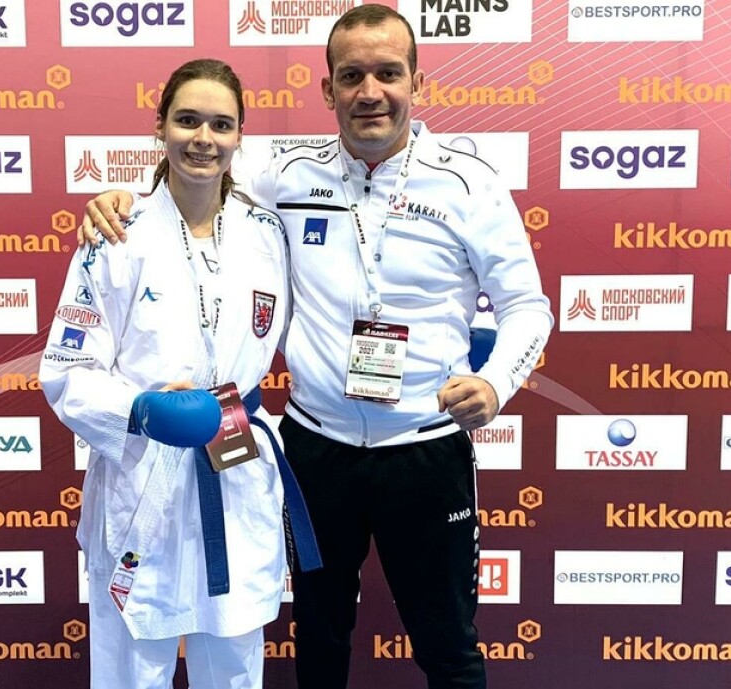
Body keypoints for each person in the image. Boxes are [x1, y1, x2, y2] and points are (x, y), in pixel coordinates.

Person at [82, 7, 553, 688]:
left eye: (388, 73)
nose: (370, 91)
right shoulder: (287, 175)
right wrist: (119, 199)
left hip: (423, 449)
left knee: (449, 647)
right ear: (328, 89)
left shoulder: (469, 185)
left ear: (417, 82)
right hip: (316, 451)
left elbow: (527, 307)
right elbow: (199, 177)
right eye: (352, 75)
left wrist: (497, 382)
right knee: (320, 643)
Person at [40, 58, 317, 689]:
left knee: (236, 662)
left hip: (236, 458)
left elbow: (318, 325)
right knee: (132, 668)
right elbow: (67, 366)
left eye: (221, 124)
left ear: (240, 135)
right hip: (145, 473)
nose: (204, 138)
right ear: (160, 126)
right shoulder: (118, 232)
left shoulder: (267, 233)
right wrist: (138, 410)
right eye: (187, 120)